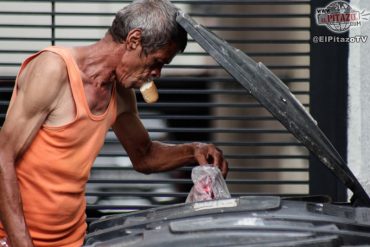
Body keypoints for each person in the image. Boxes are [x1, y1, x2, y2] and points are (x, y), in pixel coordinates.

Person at [0, 0, 228, 246]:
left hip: (72, 240)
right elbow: (3, 155)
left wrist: (194, 150)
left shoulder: (119, 92)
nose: (157, 74)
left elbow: (145, 156)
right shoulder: (54, 70)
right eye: (157, 62)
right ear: (133, 40)